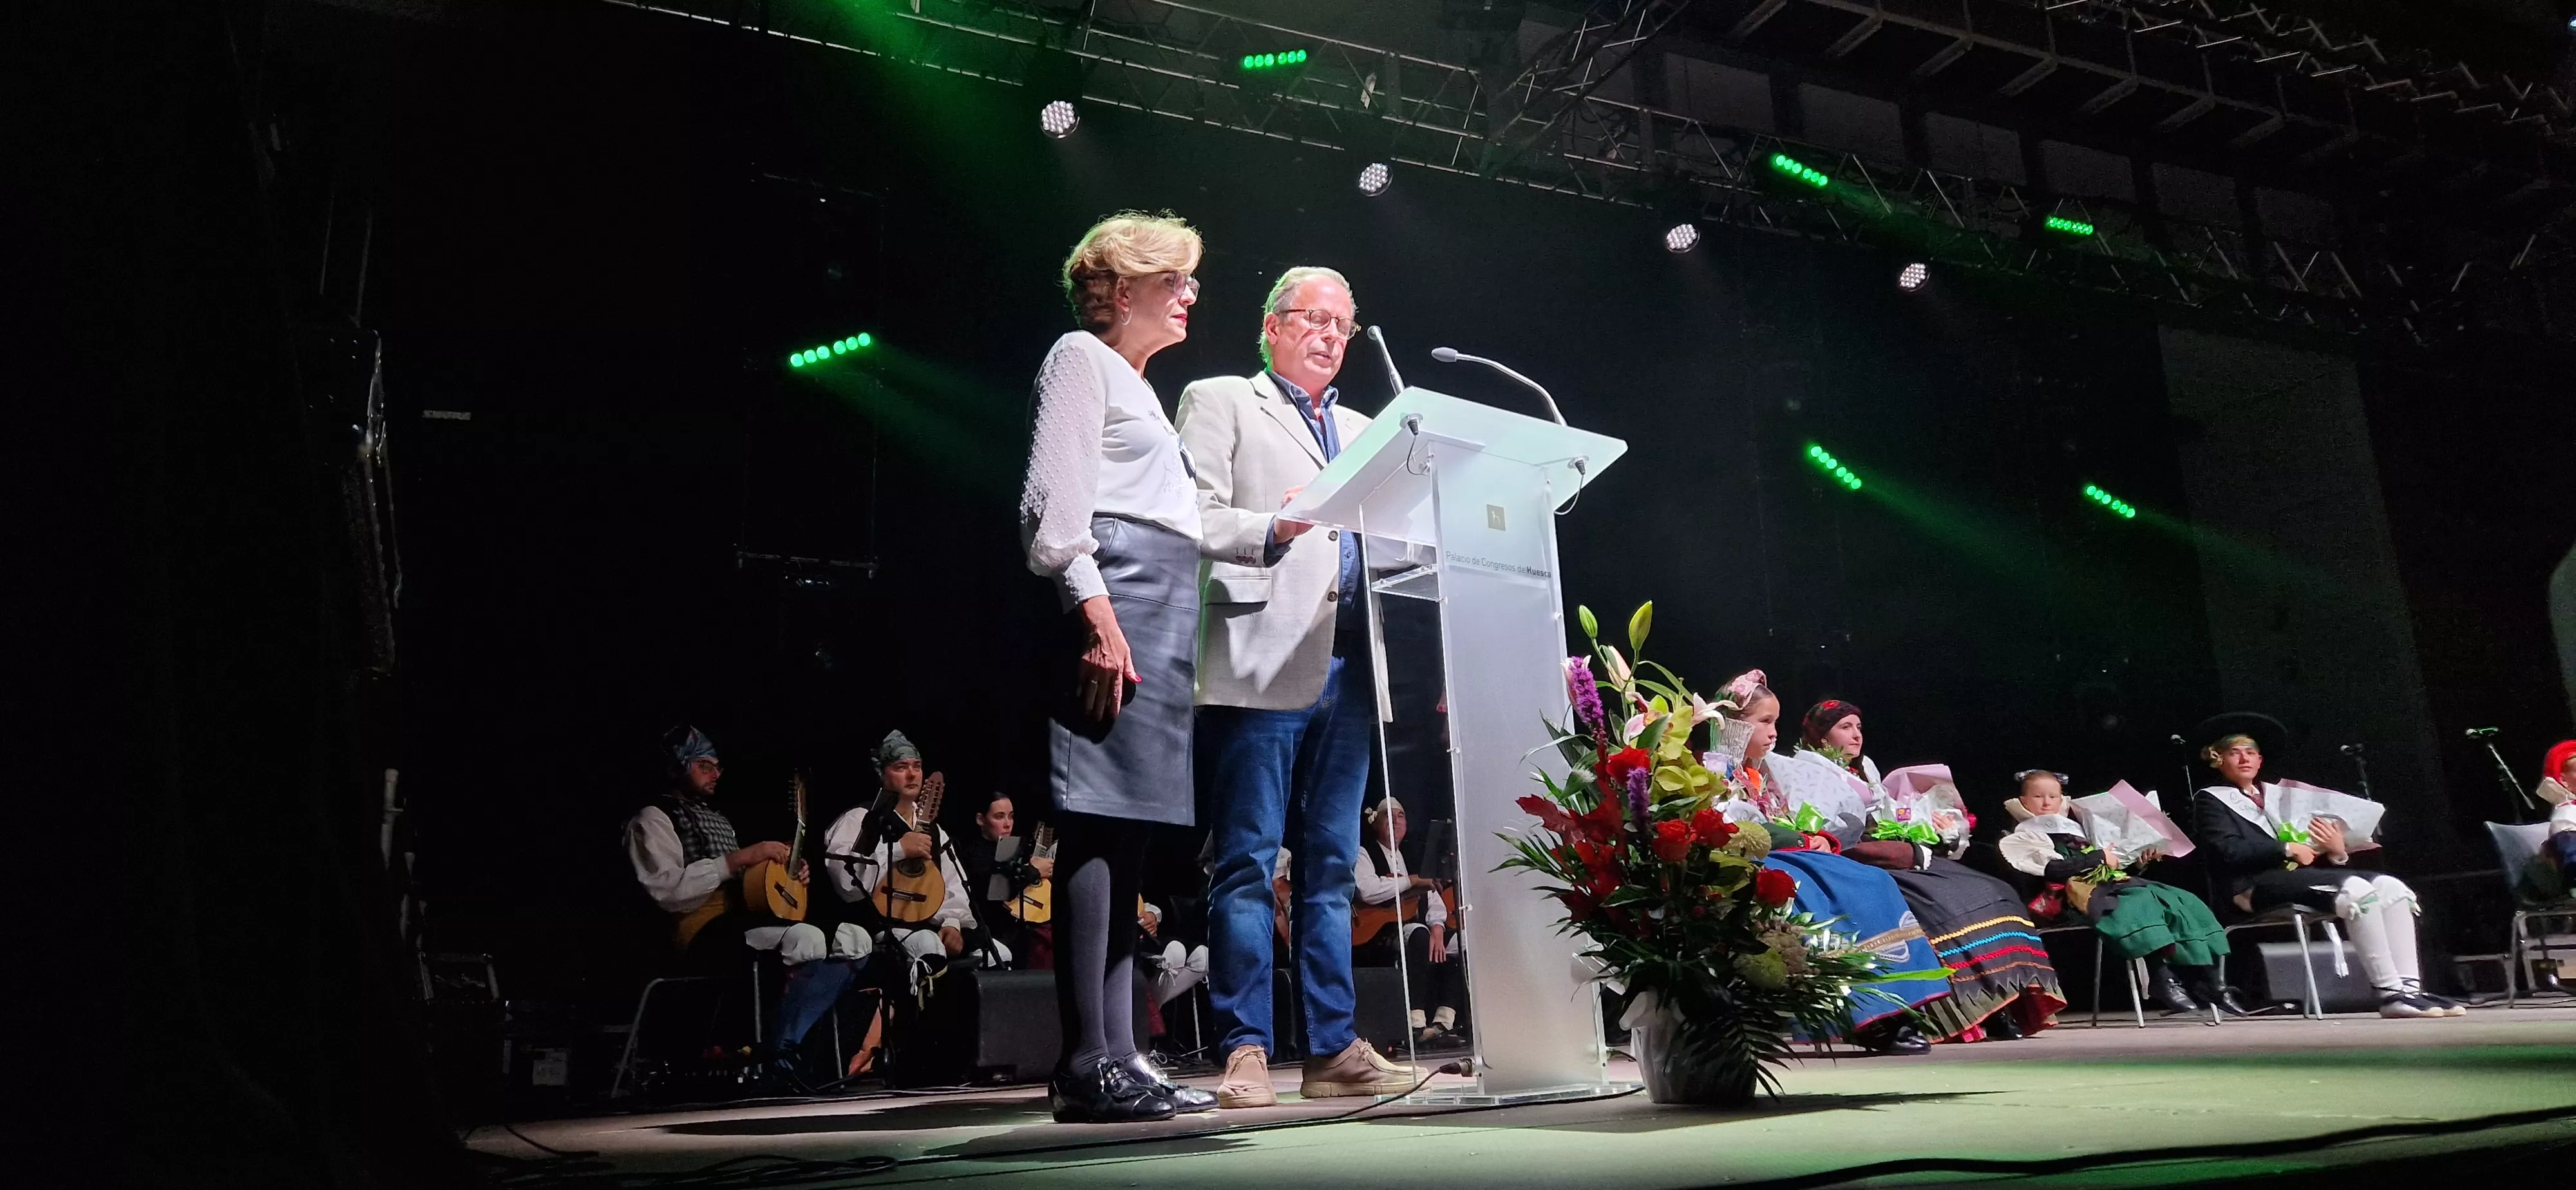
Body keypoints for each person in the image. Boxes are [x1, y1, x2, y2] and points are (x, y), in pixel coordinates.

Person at [1177, 264, 1425, 1109]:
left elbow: (1391, 538)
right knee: (1246, 862)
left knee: (1329, 869)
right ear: (1272, 326)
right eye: (1313, 317)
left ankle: (1331, 1049)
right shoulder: (1221, 401)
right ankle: (1244, 1049)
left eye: (1342, 325)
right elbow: (1194, 518)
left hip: (1353, 660)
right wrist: (1275, 527)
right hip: (1262, 654)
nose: (1329, 334)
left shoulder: (1365, 425)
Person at [1019, 211, 1223, 1122]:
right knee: (1097, 827)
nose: (1189, 294)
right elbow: (1050, 510)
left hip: (1164, 601)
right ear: (1127, 285)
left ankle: (1122, 1054)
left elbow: (1184, 522)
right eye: (1175, 279)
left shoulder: (1143, 392)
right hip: (1118, 601)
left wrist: (1289, 526)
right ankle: (1082, 1061)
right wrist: (1097, 618)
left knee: (1130, 836)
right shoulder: (1080, 358)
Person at [1709, 673, 1949, 1055]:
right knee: (1813, 891)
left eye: (1776, 723)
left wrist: (1819, 838)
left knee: (1873, 882)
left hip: (1784, 852)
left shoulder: (1761, 772)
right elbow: (1735, 825)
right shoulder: (1716, 769)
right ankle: (1856, 1012)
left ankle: (1894, 1006)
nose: (1773, 733)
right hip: (1747, 858)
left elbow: (1781, 821)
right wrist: (1803, 840)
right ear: (1734, 724)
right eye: (1764, 722)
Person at [1797, 700, 2066, 1042]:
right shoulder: (1810, 774)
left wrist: (1928, 826)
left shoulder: (1864, 770)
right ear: (1821, 737)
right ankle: (1959, 1012)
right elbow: (1833, 834)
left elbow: (1886, 818)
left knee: (1996, 891)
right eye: (1844, 728)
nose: (1856, 735)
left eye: (1858, 727)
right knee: (1940, 903)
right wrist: (1904, 849)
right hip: (1858, 860)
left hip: (1894, 852)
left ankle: (2001, 1001)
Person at [622, 726, 871, 1087]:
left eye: (718, 766)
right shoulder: (653, 819)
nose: (716, 774)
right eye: (704, 765)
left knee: (855, 939)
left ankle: (789, 1041)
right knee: (805, 939)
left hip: (737, 924)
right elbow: (667, 892)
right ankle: (776, 1053)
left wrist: (785, 872)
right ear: (677, 767)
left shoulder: (719, 819)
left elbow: (746, 884)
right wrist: (740, 859)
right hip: (693, 932)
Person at [2190, 713, 2461, 1018]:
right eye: (2234, 752)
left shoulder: (2279, 798)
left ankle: (2411, 990)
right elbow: (2226, 851)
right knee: (2356, 890)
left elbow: (2311, 852)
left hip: (2297, 880)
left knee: (2392, 887)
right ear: (2218, 759)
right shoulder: (2211, 800)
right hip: (2249, 888)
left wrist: (2336, 851)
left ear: (2260, 759)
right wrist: (2285, 848)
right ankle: (2389, 993)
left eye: (2250, 752)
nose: (2244, 759)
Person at [1998, 770, 2243, 1017]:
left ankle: (2211, 982)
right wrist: (2100, 856)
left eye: (2053, 796)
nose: (2047, 802)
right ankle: (2162, 978)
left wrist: (2140, 859)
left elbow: (2110, 866)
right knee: (2137, 904)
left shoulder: (2078, 827)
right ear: (2023, 801)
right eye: (2038, 796)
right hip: (2067, 899)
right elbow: (2054, 870)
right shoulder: (2023, 836)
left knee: (2180, 899)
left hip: (2109, 887)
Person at [1352, 798, 1467, 1047]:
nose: (1395, 821)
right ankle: (1416, 1022)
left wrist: (1438, 928)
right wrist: (1411, 882)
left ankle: (1444, 1021)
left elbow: (1434, 896)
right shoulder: (1364, 853)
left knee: (1463, 942)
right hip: (1381, 932)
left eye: (1401, 816)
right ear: (1376, 823)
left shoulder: (1414, 856)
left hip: (1420, 926)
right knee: (1418, 935)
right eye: (1388, 816)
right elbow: (1368, 890)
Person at [956, 793, 1053, 969]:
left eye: (1011, 816)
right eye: (999, 817)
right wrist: (1034, 871)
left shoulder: (1019, 847)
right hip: (992, 931)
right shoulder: (973, 854)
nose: (1008, 824)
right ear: (980, 820)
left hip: (1021, 927)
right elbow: (996, 892)